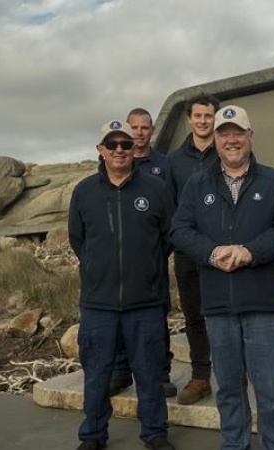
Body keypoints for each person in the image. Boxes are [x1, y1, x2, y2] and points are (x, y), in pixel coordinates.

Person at [171, 105, 274, 450]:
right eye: (224, 134)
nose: (231, 140)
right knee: (228, 390)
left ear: (250, 136)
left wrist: (250, 251)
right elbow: (179, 230)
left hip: (261, 304)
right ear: (214, 139)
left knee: (272, 390)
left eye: (238, 133)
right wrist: (212, 253)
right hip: (217, 306)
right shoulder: (198, 185)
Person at [68, 120, 176, 450]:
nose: (119, 150)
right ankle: (93, 434)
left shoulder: (155, 189)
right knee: (97, 374)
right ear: (100, 149)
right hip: (98, 304)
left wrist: (145, 270)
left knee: (149, 373)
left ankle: (155, 432)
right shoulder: (84, 191)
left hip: (145, 302)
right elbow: (78, 239)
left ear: (134, 149)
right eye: (111, 144)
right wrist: (101, 270)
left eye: (125, 144)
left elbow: (167, 237)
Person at [109, 108, 177, 399]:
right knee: (119, 318)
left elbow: (170, 219)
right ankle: (122, 371)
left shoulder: (164, 165)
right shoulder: (113, 161)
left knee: (156, 319)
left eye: (144, 128)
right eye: (133, 128)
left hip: (152, 264)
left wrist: (156, 254)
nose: (138, 133)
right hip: (118, 266)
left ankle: (160, 374)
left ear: (152, 131)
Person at [163, 94, 220, 405]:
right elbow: (171, 210)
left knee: (226, 314)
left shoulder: (225, 152)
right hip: (187, 254)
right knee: (194, 317)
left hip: (222, 252)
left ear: (215, 118)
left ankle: (231, 375)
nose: (202, 121)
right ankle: (200, 378)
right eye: (198, 116)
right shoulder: (173, 161)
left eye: (208, 116)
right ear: (190, 119)